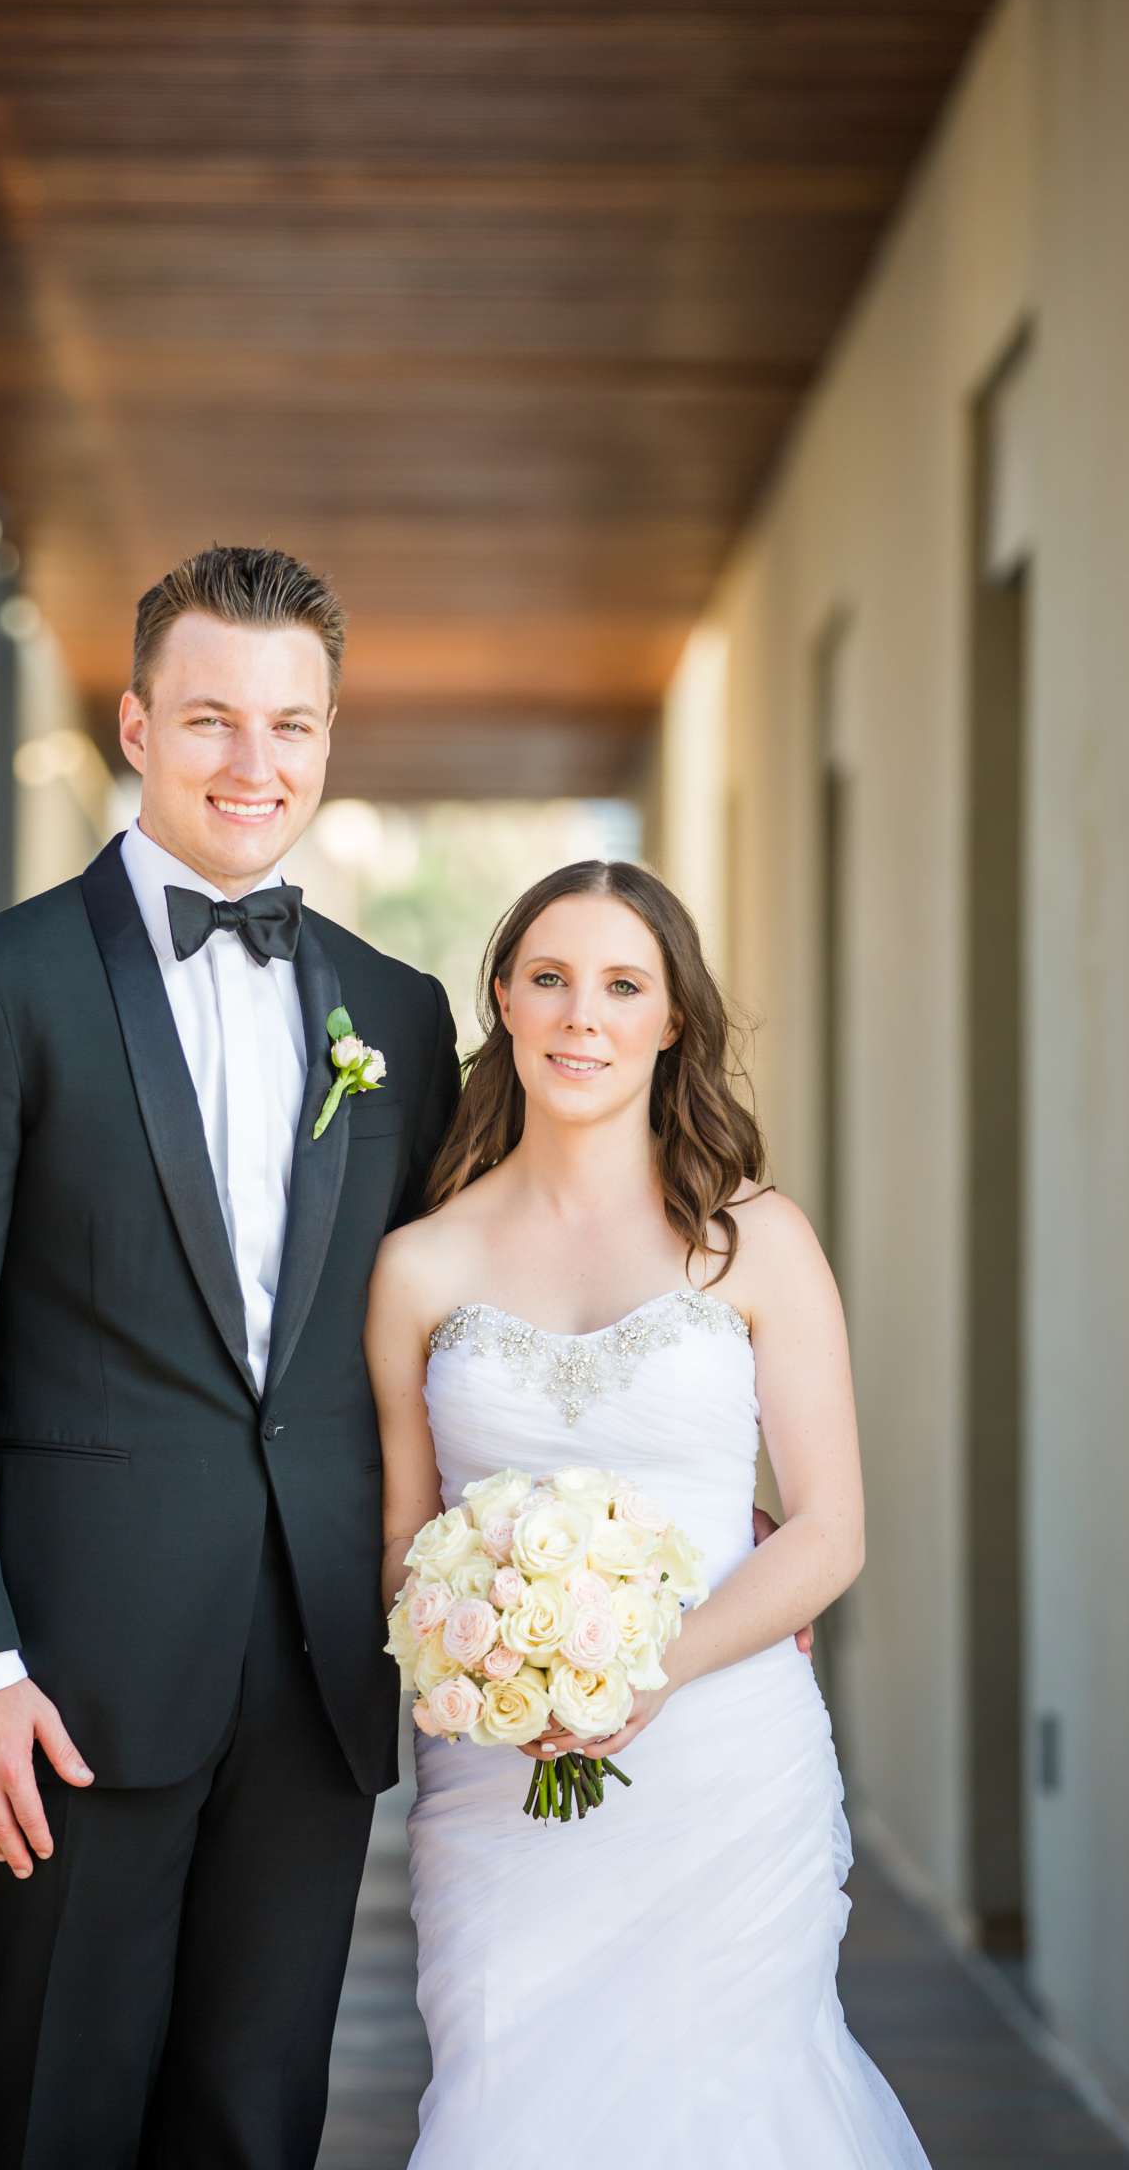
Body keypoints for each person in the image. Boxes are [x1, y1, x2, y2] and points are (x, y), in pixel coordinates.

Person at [0, 546, 462, 2169]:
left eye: (291, 726)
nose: (253, 766)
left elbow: (469, 1325)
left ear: (330, 740)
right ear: (135, 726)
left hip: (323, 1664)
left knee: (258, 2126)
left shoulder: (399, 1021)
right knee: (57, 2114)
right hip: (67, 1676)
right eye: (209, 720)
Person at [364, 859, 932, 2166]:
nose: (583, 1017)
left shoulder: (756, 1242)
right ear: (502, 998)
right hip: (502, 1777)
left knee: (736, 2108)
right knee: (512, 2107)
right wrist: (484, 1646)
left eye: (624, 986)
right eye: (552, 981)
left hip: (726, 1769)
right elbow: (404, 1538)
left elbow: (831, 1530)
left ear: (673, 1020)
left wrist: (641, 1671)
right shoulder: (418, 1264)